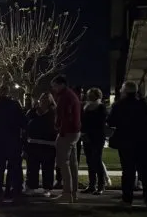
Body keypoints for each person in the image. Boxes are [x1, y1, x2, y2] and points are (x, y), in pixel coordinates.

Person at [107, 81, 147, 207]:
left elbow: (110, 121)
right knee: (146, 171)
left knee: (127, 171)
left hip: (126, 142)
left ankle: (127, 199)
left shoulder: (118, 105)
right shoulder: (144, 104)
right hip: (143, 142)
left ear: (125, 91)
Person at [0, 84, 25, 203]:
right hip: (12, 140)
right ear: (8, 92)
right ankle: (14, 191)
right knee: (14, 168)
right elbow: (23, 122)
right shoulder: (14, 105)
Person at [51, 75, 81, 203]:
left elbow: (65, 116)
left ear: (61, 84)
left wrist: (61, 130)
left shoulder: (65, 97)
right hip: (74, 132)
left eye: (55, 86)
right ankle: (73, 192)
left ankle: (67, 192)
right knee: (72, 164)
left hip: (67, 133)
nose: (54, 89)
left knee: (63, 162)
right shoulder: (72, 95)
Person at [25, 93, 58, 197]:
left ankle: (47, 188)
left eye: (47, 99)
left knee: (48, 168)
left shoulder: (53, 113)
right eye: (42, 99)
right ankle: (31, 186)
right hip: (33, 144)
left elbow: (57, 127)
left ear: (50, 101)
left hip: (49, 145)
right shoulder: (32, 112)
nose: (44, 101)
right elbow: (25, 127)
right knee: (32, 167)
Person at [81, 88, 108, 195]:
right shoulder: (86, 107)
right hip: (87, 137)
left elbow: (101, 122)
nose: (89, 96)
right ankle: (92, 184)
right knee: (89, 161)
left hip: (97, 137)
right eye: (89, 94)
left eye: (91, 95)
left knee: (97, 160)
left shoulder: (101, 107)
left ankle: (101, 185)